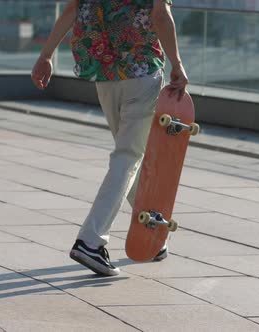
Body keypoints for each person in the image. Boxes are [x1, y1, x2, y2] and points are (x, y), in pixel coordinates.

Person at [31, 0, 188, 276]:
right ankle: (91, 241)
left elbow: (71, 9)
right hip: (141, 73)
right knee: (128, 157)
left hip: (104, 73)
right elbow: (161, 14)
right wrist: (177, 63)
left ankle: (153, 235)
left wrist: (45, 55)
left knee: (128, 157)